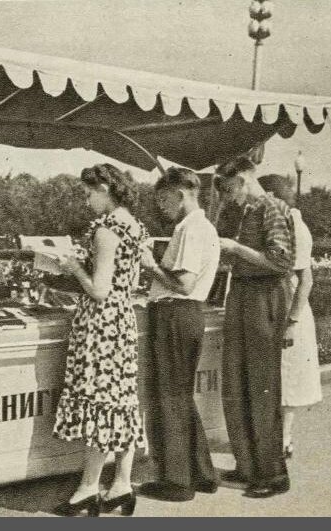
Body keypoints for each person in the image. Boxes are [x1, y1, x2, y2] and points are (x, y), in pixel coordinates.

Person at [52, 163, 148, 517]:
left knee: (99, 399)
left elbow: (99, 289)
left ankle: (88, 487)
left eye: (88, 193)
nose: (86, 200)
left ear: (105, 188)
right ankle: (122, 483)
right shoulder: (134, 226)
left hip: (101, 323)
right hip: (122, 319)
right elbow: (125, 281)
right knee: (121, 399)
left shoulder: (106, 230)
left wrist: (73, 267)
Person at [137, 168, 221, 502]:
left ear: (180, 194)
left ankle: (177, 481)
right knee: (181, 396)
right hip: (185, 315)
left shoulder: (191, 228)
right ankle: (201, 472)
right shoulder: (201, 227)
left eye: (163, 199)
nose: (161, 207)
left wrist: (150, 265)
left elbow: (184, 283)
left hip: (175, 313)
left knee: (169, 397)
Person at [214, 157, 295, 499]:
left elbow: (280, 260)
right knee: (236, 382)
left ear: (244, 179)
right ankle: (248, 465)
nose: (229, 196)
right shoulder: (247, 212)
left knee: (262, 387)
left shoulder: (271, 208)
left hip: (264, 296)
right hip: (243, 294)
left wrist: (236, 248)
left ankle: (273, 474)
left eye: (230, 189)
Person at [257, 174, 322, 459]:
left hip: (292, 310)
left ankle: (283, 439)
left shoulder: (294, 224)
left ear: (272, 195)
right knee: (278, 375)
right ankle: (275, 437)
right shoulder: (276, 221)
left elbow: (306, 280)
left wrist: (292, 323)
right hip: (277, 305)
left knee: (289, 375)